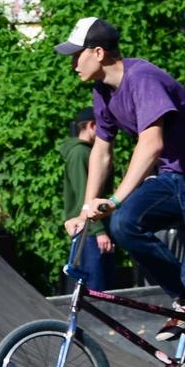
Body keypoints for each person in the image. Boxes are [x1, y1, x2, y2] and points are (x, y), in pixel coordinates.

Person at [62, 17, 185, 367]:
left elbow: (152, 143)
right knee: (123, 226)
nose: (73, 63)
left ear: (99, 52)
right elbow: (101, 152)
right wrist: (89, 208)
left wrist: (117, 198)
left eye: (77, 55)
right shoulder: (102, 94)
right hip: (177, 178)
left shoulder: (143, 79)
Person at [59, 108, 116, 291]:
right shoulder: (81, 154)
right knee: (94, 287)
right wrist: (99, 231)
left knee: (101, 284)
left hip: (92, 228)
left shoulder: (86, 153)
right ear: (92, 125)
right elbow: (86, 194)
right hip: (89, 231)